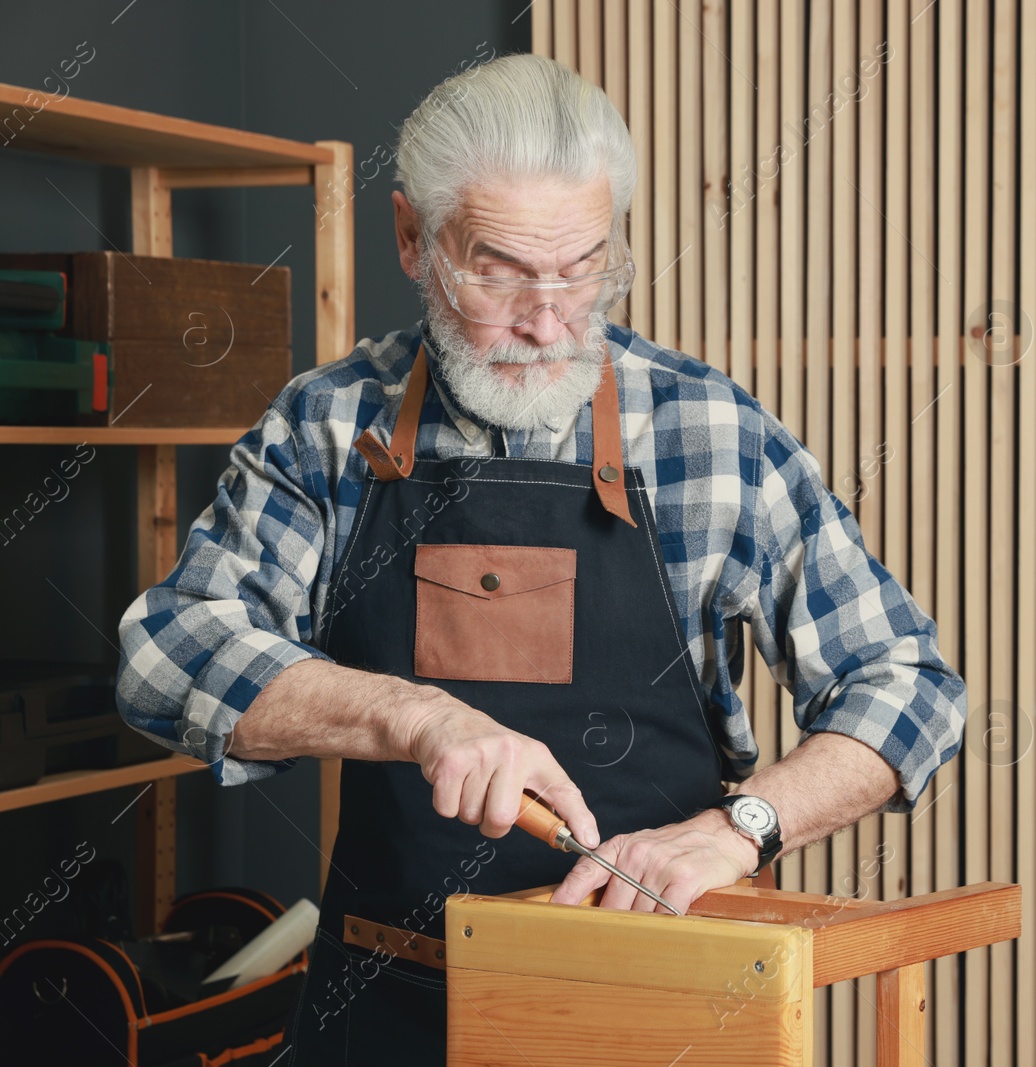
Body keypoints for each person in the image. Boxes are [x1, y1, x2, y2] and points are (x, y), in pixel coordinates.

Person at [115, 52, 964, 1064]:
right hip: (388, 1008)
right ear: (410, 240)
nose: (549, 321)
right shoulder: (329, 424)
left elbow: (908, 685)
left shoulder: (710, 433)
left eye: (583, 268)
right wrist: (413, 715)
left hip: (662, 1001)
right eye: (501, 270)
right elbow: (163, 652)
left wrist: (740, 826)